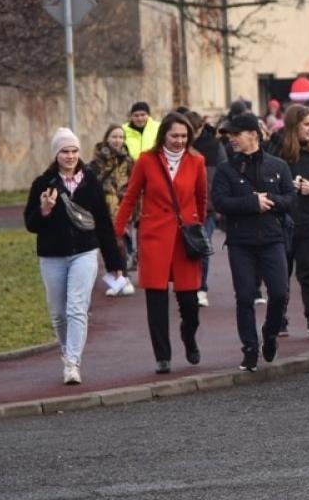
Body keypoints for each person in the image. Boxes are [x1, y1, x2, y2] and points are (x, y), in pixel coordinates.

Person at [24, 127, 127, 385]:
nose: (70, 156)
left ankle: (72, 363)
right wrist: (45, 210)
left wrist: (114, 263)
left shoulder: (90, 180)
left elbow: (103, 223)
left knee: (77, 308)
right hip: (52, 255)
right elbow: (31, 223)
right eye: (64, 151)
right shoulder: (42, 183)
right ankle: (66, 350)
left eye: (74, 151)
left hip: (84, 251)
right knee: (59, 312)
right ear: (56, 154)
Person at [113, 111, 207, 374]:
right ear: (163, 135)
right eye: (174, 135)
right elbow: (130, 197)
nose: (179, 140)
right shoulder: (146, 161)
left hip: (185, 238)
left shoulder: (197, 162)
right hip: (155, 237)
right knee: (156, 300)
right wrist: (116, 232)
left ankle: (188, 337)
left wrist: (197, 227)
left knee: (189, 303)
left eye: (184, 136)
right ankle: (162, 356)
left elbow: (201, 199)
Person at [210, 112, 296, 372]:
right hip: (241, 242)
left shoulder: (278, 166)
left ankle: (270, 333)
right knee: (245, 296)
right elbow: (220, 202)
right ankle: (249, 348)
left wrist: (269, 200)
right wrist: (251, 203)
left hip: (272, 238)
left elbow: (291, 199)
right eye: (229, 135)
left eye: (236, 134)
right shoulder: (226, 169)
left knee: (280, 293)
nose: (231, 139)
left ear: (253, 135)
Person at [270, 103, 309, 339]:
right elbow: (264, 182)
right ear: (294, 125)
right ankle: (279, 321)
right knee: (280, 275)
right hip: (281, 222)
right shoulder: (275, 151)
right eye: (306, 124)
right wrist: (285, 189)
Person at [185, 109, 226, 305]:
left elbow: (222, 173)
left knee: (203, 245)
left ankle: (201, 286)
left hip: (206, 205)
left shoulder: (214, 146)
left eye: (195, 129)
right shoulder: (178, 144)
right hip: (183, 204)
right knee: (185, 247)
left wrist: (218, 202)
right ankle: (189, 284)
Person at [91, 124, 136, 295]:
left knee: (121, 243)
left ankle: (123, 277)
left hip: (123, 207)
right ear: (107, 138)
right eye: (114, 137)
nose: (118, 140)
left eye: (121, 137)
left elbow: (134, 183)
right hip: (102, 208)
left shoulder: (129, 161)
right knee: (106, 244)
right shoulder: (96, 162)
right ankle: (114, 278)